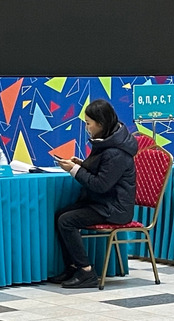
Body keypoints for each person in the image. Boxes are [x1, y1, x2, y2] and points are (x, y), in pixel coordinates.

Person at [49, 99, 138, 288]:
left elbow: (100, 185)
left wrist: (74, 170)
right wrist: (82, 164)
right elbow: (102, 172)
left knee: (67, 220)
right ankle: (73, 266)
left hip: (114, 208)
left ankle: (86, 271)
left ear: (101, 124)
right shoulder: (107, 142)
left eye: (89, 123)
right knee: (61, 215)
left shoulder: (116, 152)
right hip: (103, 203)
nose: (87, 127)